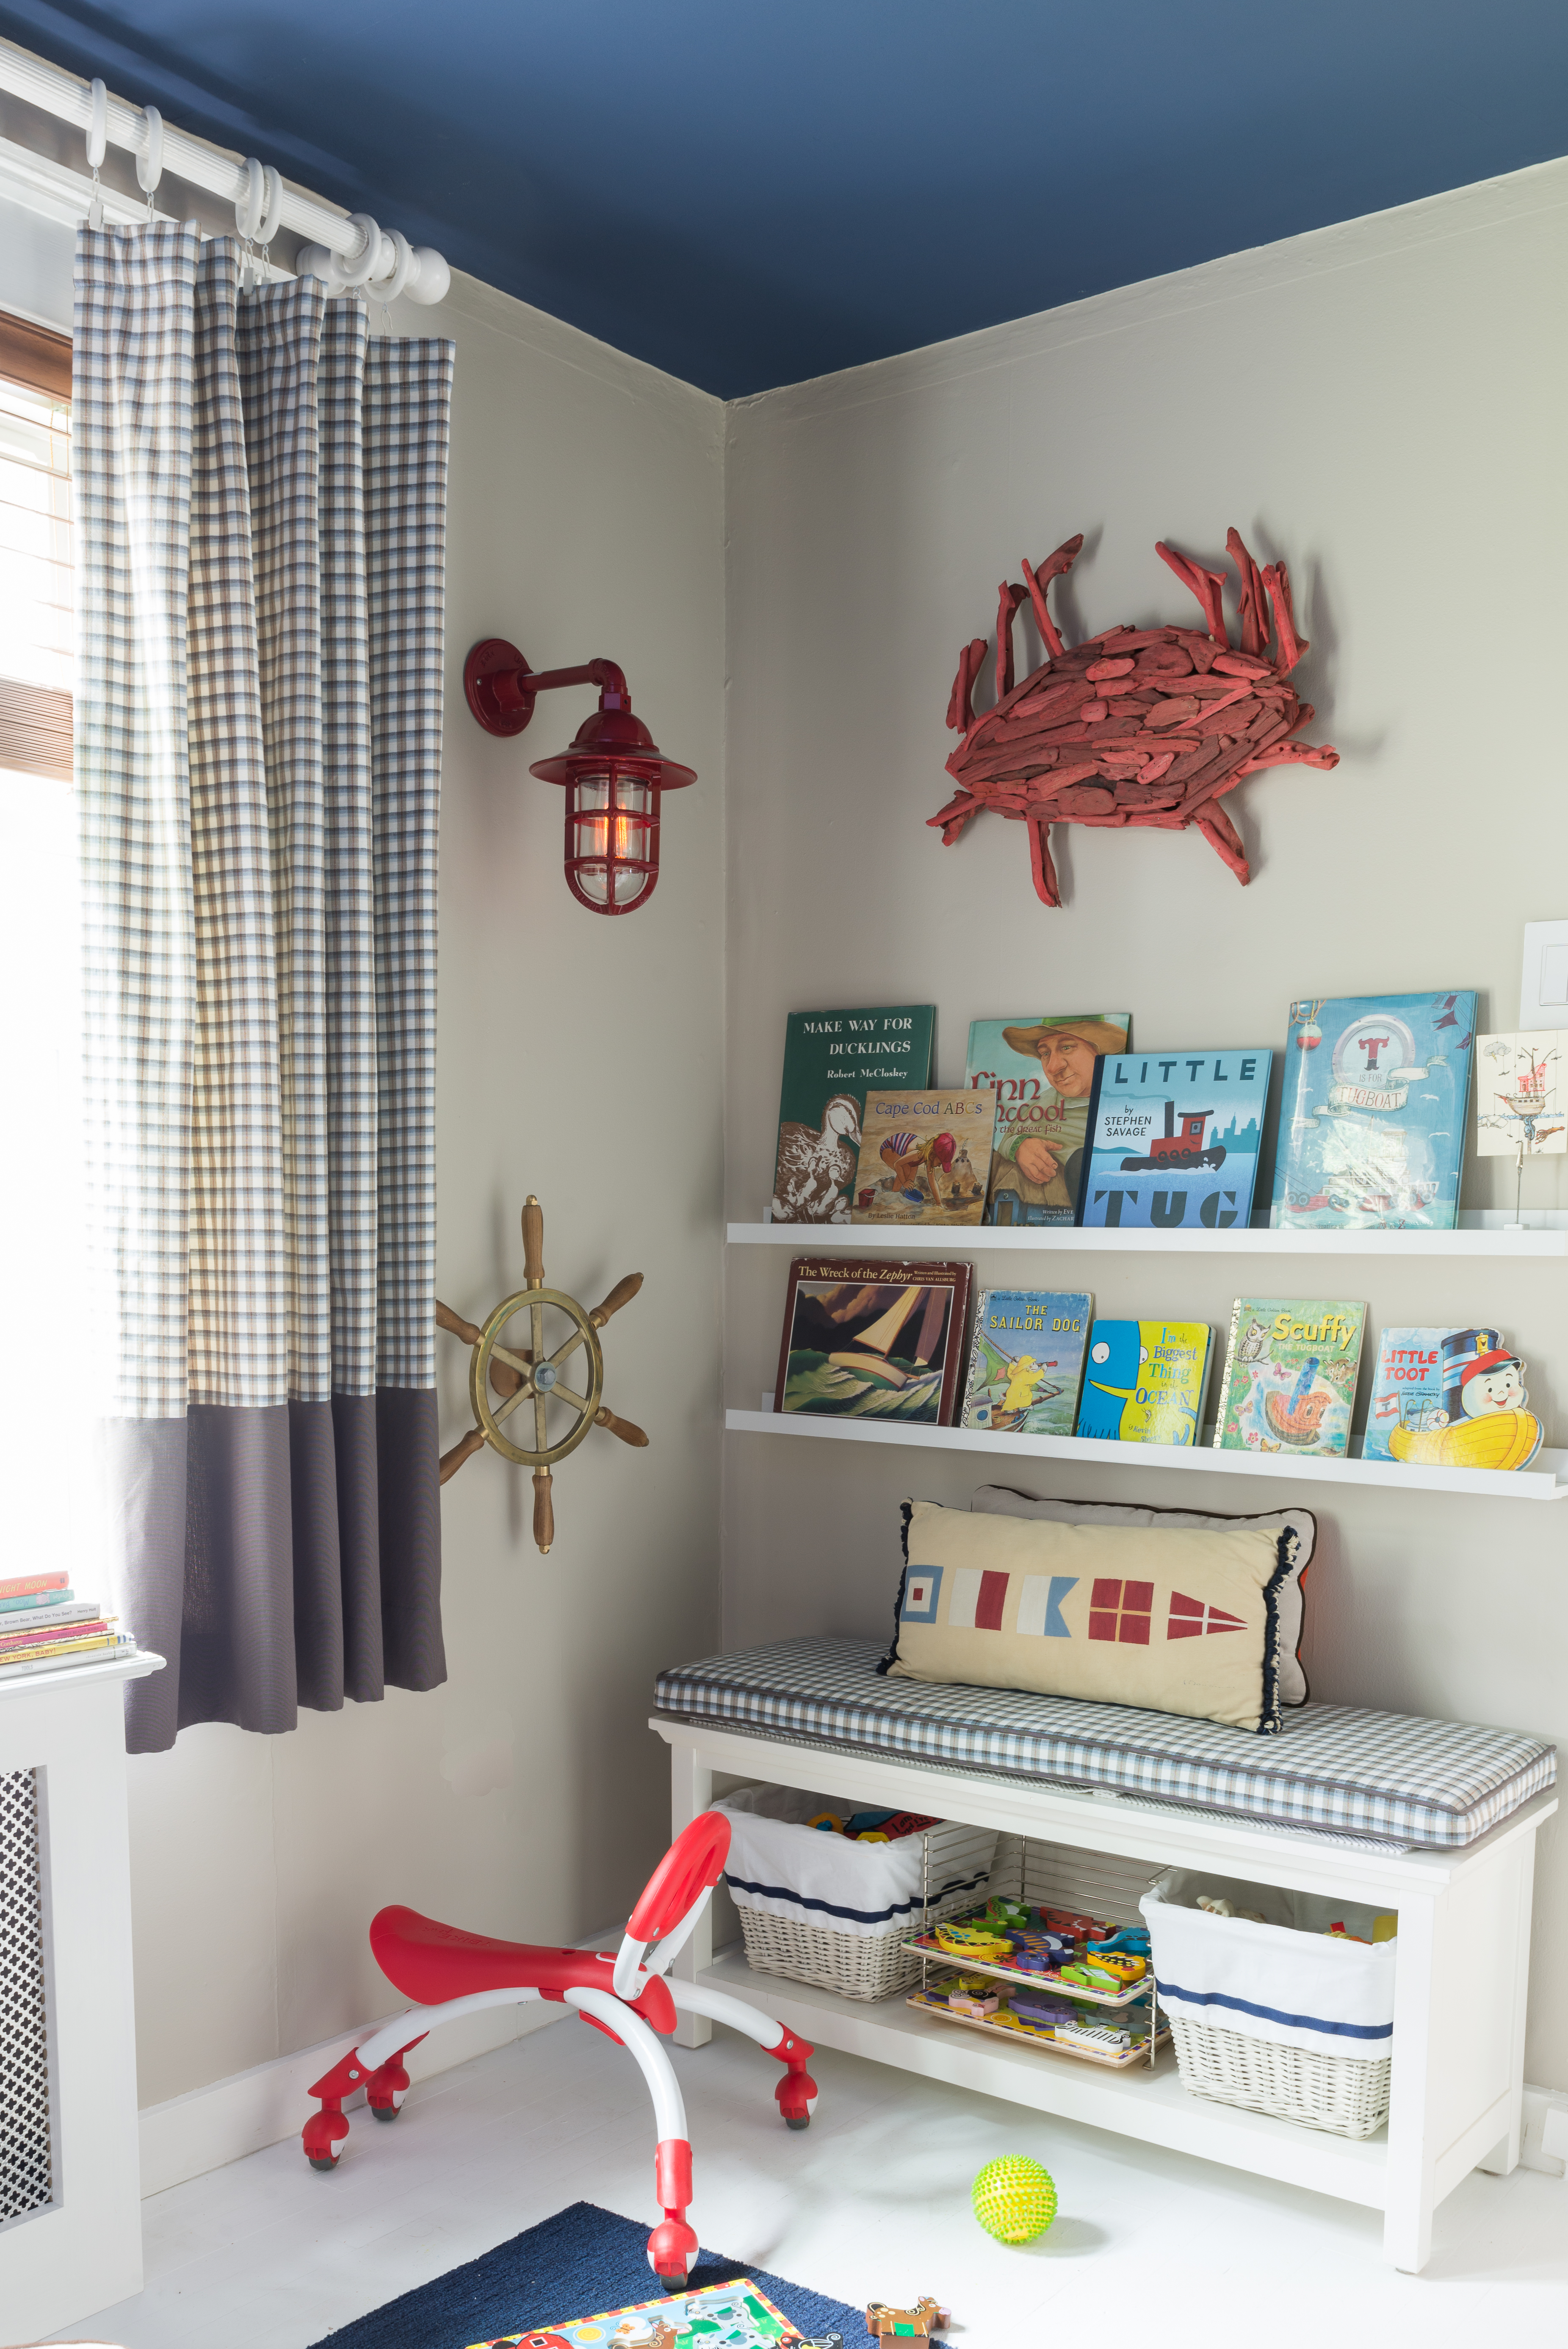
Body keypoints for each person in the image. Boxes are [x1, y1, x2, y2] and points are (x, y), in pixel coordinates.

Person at [990, 1015, 1128, 1216]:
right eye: (1045, 1053)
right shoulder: (1043, 1104)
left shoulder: (1127, 1098)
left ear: (1097, 1051)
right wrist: (1020, 1146)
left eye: (1067, 1048)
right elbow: (1004, 1138)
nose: (1053, 1067)